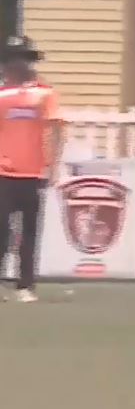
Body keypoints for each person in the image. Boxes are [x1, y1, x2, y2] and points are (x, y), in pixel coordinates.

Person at [0, 36, 63, 303]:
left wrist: (54, 166)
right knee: (1, 230)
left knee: (29, 232)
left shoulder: (44, 93)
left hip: (33, 172)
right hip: (3, 172)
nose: (20, 64)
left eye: (24, 58)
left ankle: (25, 285)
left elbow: (56, 129)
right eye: (15, 58)